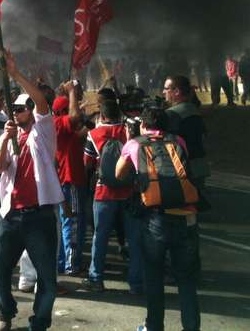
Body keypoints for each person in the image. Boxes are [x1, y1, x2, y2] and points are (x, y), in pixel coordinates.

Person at [0, 49, 64, 331]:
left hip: (39, 216)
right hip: (10, 216)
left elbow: (41, 101)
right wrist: (5, 139)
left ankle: (39, 323)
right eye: (14, 109)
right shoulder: (8, 136)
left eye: (21, 108)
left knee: (47, 276)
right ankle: (5, 313)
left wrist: (15, 74)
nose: (17, 112)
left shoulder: (42, 132)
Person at [116, 106, 201, 331]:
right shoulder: (179, 141)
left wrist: (129, 140)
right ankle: (191, 327)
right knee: (187, 280)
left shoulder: (135, 144)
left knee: (153, 277)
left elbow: (118, 173)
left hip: (155, 220)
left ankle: (154, 326)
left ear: (143, 125)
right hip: (186, 216)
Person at [81, 99, 142, 293]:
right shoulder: (130, 131)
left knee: (101, 237)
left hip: (103, 193)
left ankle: (96, 278)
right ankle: (136, 282)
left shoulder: (94, 134)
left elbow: (87, 163)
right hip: (129, 191)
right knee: (133, 238)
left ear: (102, 115)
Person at [53, 82, 88, 275]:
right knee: (72, 223)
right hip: (70, 179)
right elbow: (75, 119)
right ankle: (71, 264)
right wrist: (72, 91)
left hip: (69, 180)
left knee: (67, 223)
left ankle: (63, 261)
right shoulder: (59, 123)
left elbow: (81, 131)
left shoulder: (62, 127)